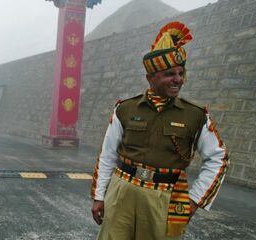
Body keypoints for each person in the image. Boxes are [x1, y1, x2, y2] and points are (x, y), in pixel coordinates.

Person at [90, 21, 229, 239]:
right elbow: (107, 154)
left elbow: (218, 158)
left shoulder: (196, 115)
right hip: (121, 191)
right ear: (150, 78)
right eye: (169, 74)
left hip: (165, 198)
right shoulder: (125, 109)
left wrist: (194, 200)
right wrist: (99, 196)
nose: (178, 80)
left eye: (181, 73)